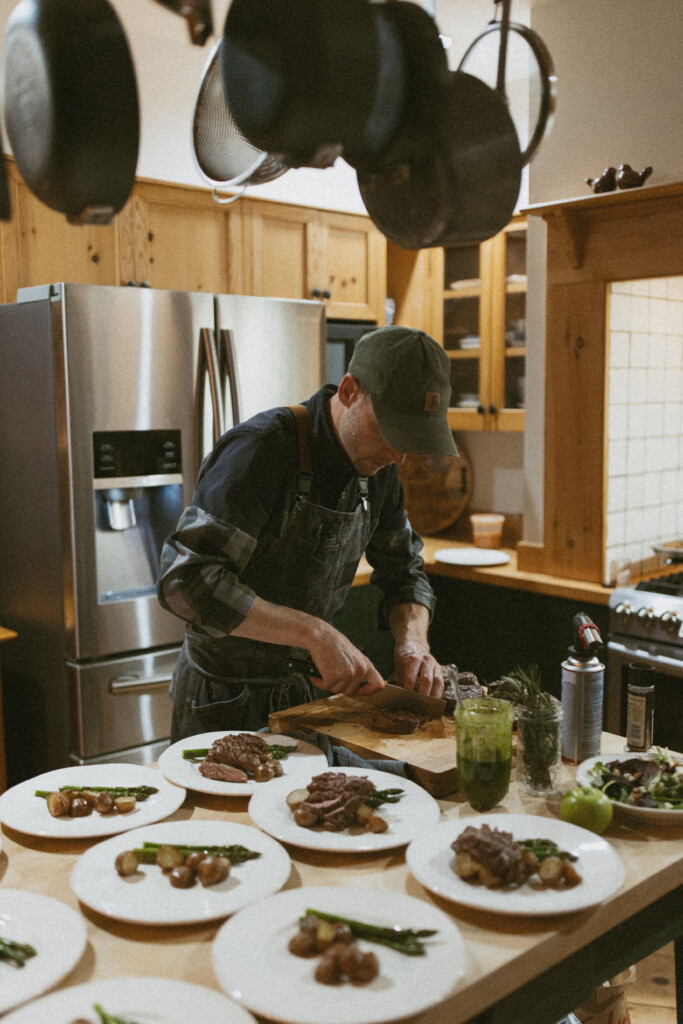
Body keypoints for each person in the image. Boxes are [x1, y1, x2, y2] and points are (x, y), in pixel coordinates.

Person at [157, 325, 458, 742]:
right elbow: (185, 582)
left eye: (412, 440)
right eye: (391, 430)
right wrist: (313, 633)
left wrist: (413, 643)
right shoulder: (262, 451)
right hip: (222, 699)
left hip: (306, 702)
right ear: (350, 391)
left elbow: (405, 574)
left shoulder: (380, 472)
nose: (399, 455)